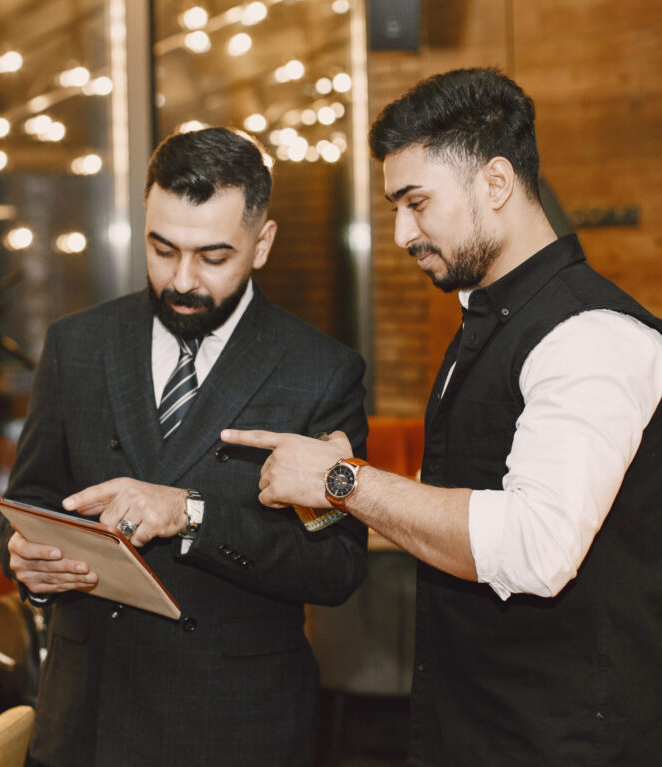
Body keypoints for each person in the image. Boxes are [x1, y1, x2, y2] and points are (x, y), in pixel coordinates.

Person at [223, 68, 662, 765]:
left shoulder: (591, 336)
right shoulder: (482, 324)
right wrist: (328, 495)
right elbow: (448, 513)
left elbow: (533, 549)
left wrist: (342, 479)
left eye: (416, 202)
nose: (401, 232)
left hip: (567, 741)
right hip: (471, 725)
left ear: (494, 183)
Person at [0, 127, 369, 767]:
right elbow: (29, 497)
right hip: (87, 718)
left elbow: (334, 569)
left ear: (263, 243)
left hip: (234, 725)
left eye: (213, 257)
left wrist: (192, 514)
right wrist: (27, 564)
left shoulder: (320, 372)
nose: (183, 280)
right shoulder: (76, 346)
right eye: (162, 249)